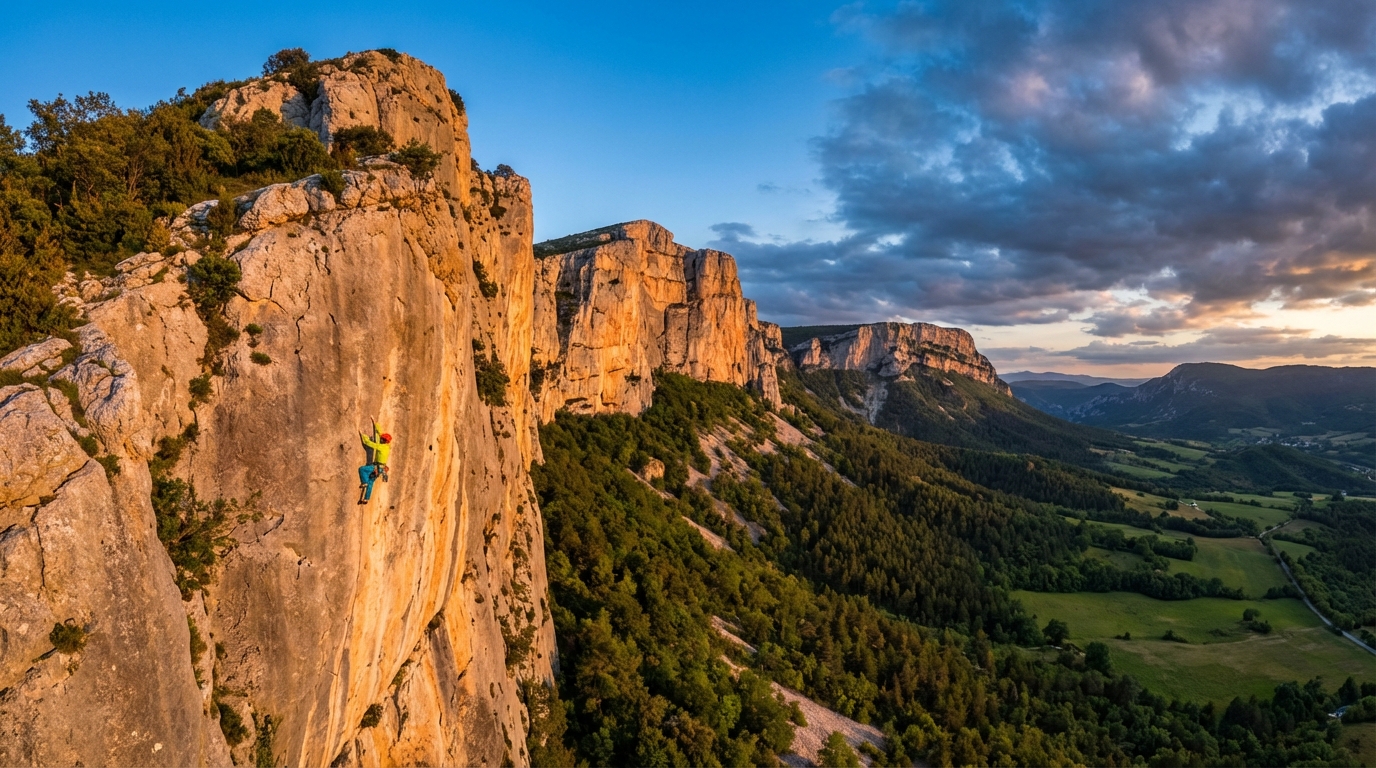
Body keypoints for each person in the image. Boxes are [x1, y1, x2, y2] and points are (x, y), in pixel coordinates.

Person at [360, 417, 392, 482]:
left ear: (384, 441)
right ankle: (366, 483)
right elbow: (381, 433)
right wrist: (375, 422)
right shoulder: (387, 445)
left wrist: (362, 435)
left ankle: (364, 482)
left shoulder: (381, 446)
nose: (380, 439)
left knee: (362, 470)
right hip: (380, 467)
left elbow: (370, 443)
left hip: (377, 467)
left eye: (381, 439)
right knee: (371, 482)